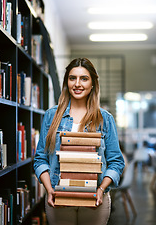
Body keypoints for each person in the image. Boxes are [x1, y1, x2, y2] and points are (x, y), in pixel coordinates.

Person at [33, 58, 125, 225]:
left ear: (92, 84)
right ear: (66, 82)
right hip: (58, 197)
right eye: (72, 78)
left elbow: (116, 162)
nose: (77, 84)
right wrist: (49, 189)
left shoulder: (105, 118)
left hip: (95, 199)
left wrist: (101, 189)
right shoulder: (51, 116)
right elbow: (40, 159)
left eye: (84, 78)